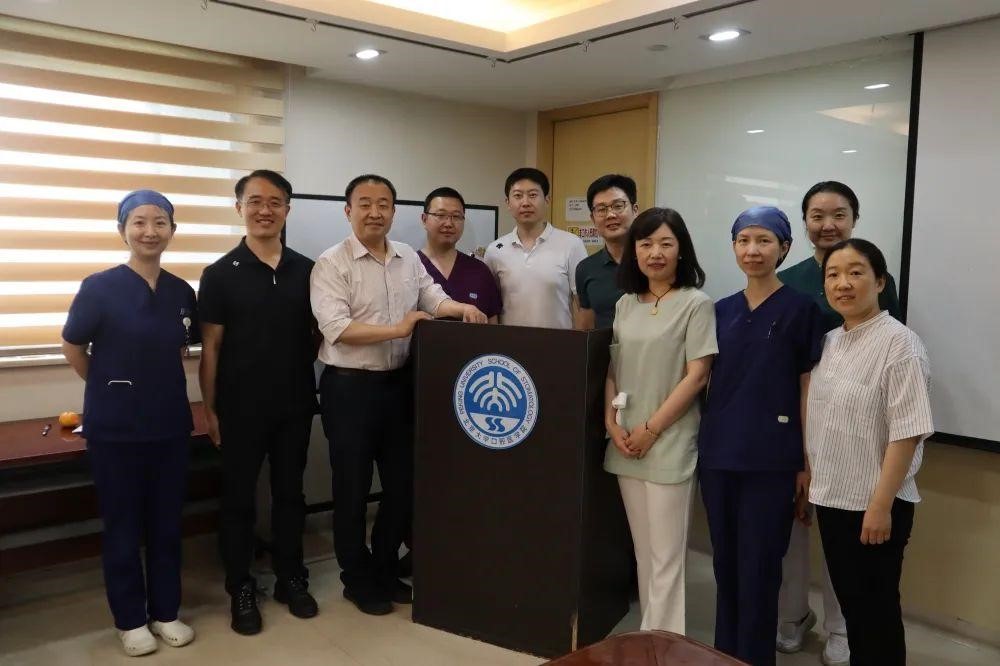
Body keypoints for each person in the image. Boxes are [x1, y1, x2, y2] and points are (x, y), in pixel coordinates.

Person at [310, 174, 487, 616]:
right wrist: (398, 329)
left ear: (393, 211)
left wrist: (461, 308)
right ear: (348, 210)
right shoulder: (331, 263)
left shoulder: (408, 256)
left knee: (402, 485)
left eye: (384, 204)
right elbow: (336, 329)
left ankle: (386, 568)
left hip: (398, 386)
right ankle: (357, 579)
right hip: (348, 388)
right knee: (352, 489)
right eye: (365, 203)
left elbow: (432, 298)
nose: (375, 212)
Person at [62, 190, 198, 656]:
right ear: (123, 229)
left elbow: (180, 349)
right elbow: (73, 347)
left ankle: (166, 612)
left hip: (170, 425)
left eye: (160, 222)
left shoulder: (182, 292)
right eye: (139, 222)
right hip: (115, 430)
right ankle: (130, 620)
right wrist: (108, 386)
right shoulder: (99, 287)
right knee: (122, 525)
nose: (149, 232)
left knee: (166, 524)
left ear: (172, 231)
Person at [776, 181, 903, 665]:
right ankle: (792, 615)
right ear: (805, 222)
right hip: (796, 415)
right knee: (795, 527)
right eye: (817, 215)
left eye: (839, 214)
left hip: (855, 428)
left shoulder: (876, 278)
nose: (828, 224)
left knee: (844, 538)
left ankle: (840, 627)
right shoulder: (787, 279)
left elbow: (888, 345)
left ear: (854, 218)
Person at [698, 206, 826, 666]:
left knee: (760, 567)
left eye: (764, 240)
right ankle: (724, 655)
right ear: (734, 247)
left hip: (772, 459)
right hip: (719, 454)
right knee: (725, 565)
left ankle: (753, 658)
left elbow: (807, 386)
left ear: (784, 248)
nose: (753, 250)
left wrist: (805, 462)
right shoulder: (719, 311)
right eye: (744, 240)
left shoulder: (802, 310)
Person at [198, 170, 320, 635]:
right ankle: (241, 586)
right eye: (255, 201)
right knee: (238, 498)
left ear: (288, 209)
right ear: (239, 208)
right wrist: (210, 410)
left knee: (290, 494)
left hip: (295, 404)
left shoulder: (309, 270)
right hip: (239, 408)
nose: (265, 210)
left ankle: (291, 577)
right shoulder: (218, 274)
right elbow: (210, 349)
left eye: (275, 202)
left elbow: (317, 334)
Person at [808, 238, 932, 666]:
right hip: (833, 499)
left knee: (876, 613)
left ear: (880, 282)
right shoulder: (830, 342)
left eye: (856, 272)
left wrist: (880, 507)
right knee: (855, 611)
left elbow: (908, 432)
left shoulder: (901, 345)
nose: (843, 283)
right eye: (833, 274)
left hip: (875, 506)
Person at [603, 208, 716, 633]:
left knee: (667, 556)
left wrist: (651, 430)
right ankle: (652, 637)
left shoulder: (696, 304)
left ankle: (663, 644)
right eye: (646, 244)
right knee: (643, 551)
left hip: (668, 439)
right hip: (625, 440)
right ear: (634, 251)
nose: (655, 253)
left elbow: (697, 375)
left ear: (681, 249)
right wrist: (612, 425)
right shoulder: (625, 304)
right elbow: (613, 370)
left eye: (666, 243)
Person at [484, 167, 588, 328]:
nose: (525, 203)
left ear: (547, 200)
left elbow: (583, 304)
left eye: (533, 195)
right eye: (518, 196)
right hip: (509, 342)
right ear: (508, 203)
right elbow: (491, 305)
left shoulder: (572, 244)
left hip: (558, 341)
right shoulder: (495, 250)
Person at [418, 186, 502, 323]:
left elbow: (493, 326)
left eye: (456, 216)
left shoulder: (480, 271)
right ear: (424, 219)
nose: (449, 223)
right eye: (440, 215)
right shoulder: (410, 266)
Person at [575, 174, 639, 330]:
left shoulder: (653, 261)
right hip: (605, 346)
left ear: (635, 210)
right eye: (601, 209)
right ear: (593, 218)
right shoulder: (585, 268)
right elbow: (586, 326)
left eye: (618, 206)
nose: (610, 215)